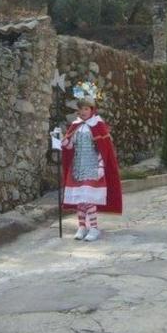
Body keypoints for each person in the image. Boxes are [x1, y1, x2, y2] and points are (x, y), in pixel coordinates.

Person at [61, 81, 122, 242]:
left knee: (88, 199)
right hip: (78, 168)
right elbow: (70, 146)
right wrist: (61, 141)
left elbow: (104, 148)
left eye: (86, 108)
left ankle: (94, 228)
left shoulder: (98, 125)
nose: (83, 111)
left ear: (92, 109)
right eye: (80, 109)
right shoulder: (75, 125)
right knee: (80, 200)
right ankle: (82, 226)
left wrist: (101, 165)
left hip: (93, 167)